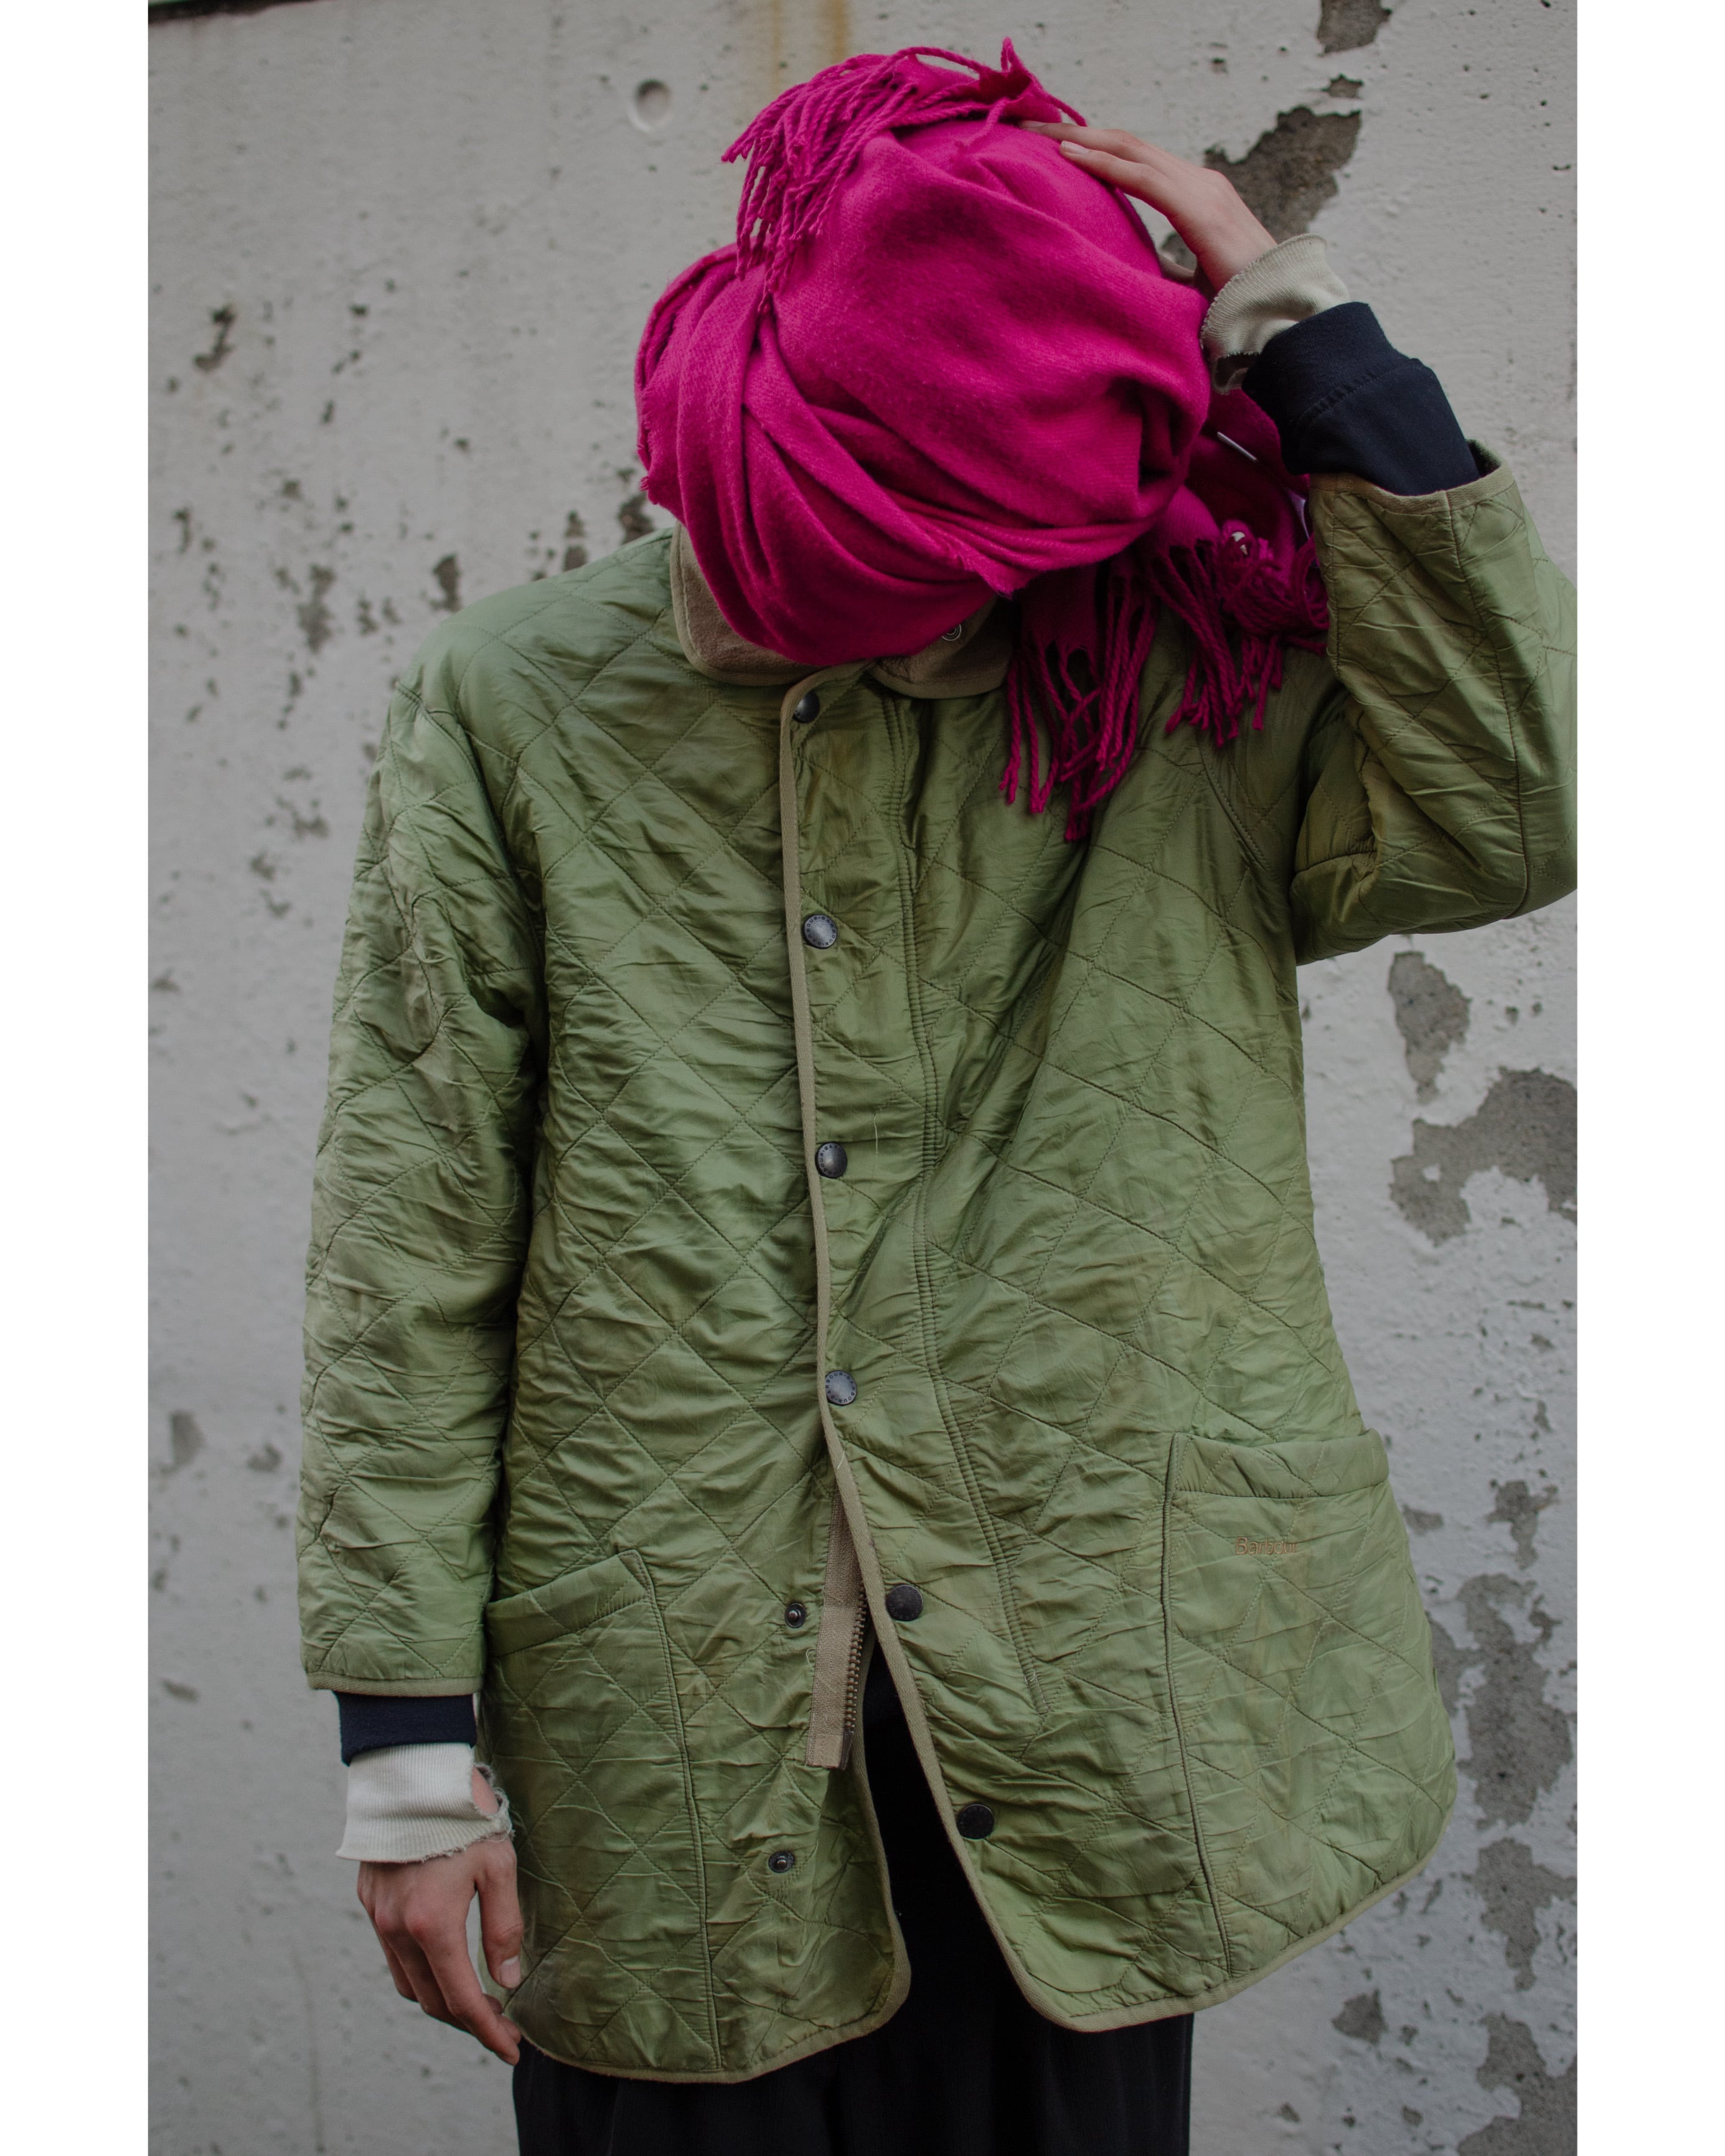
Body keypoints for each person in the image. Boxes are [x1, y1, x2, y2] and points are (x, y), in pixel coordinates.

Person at [296, 42, 1575, 2156]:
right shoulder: (518, 706)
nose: (928, 595)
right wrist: (409, 1764)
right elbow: (412, 1235)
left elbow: (1515, 803)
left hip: (1094, 1682)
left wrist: (1304, 337)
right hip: (680, 1716)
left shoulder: (1164, 673)